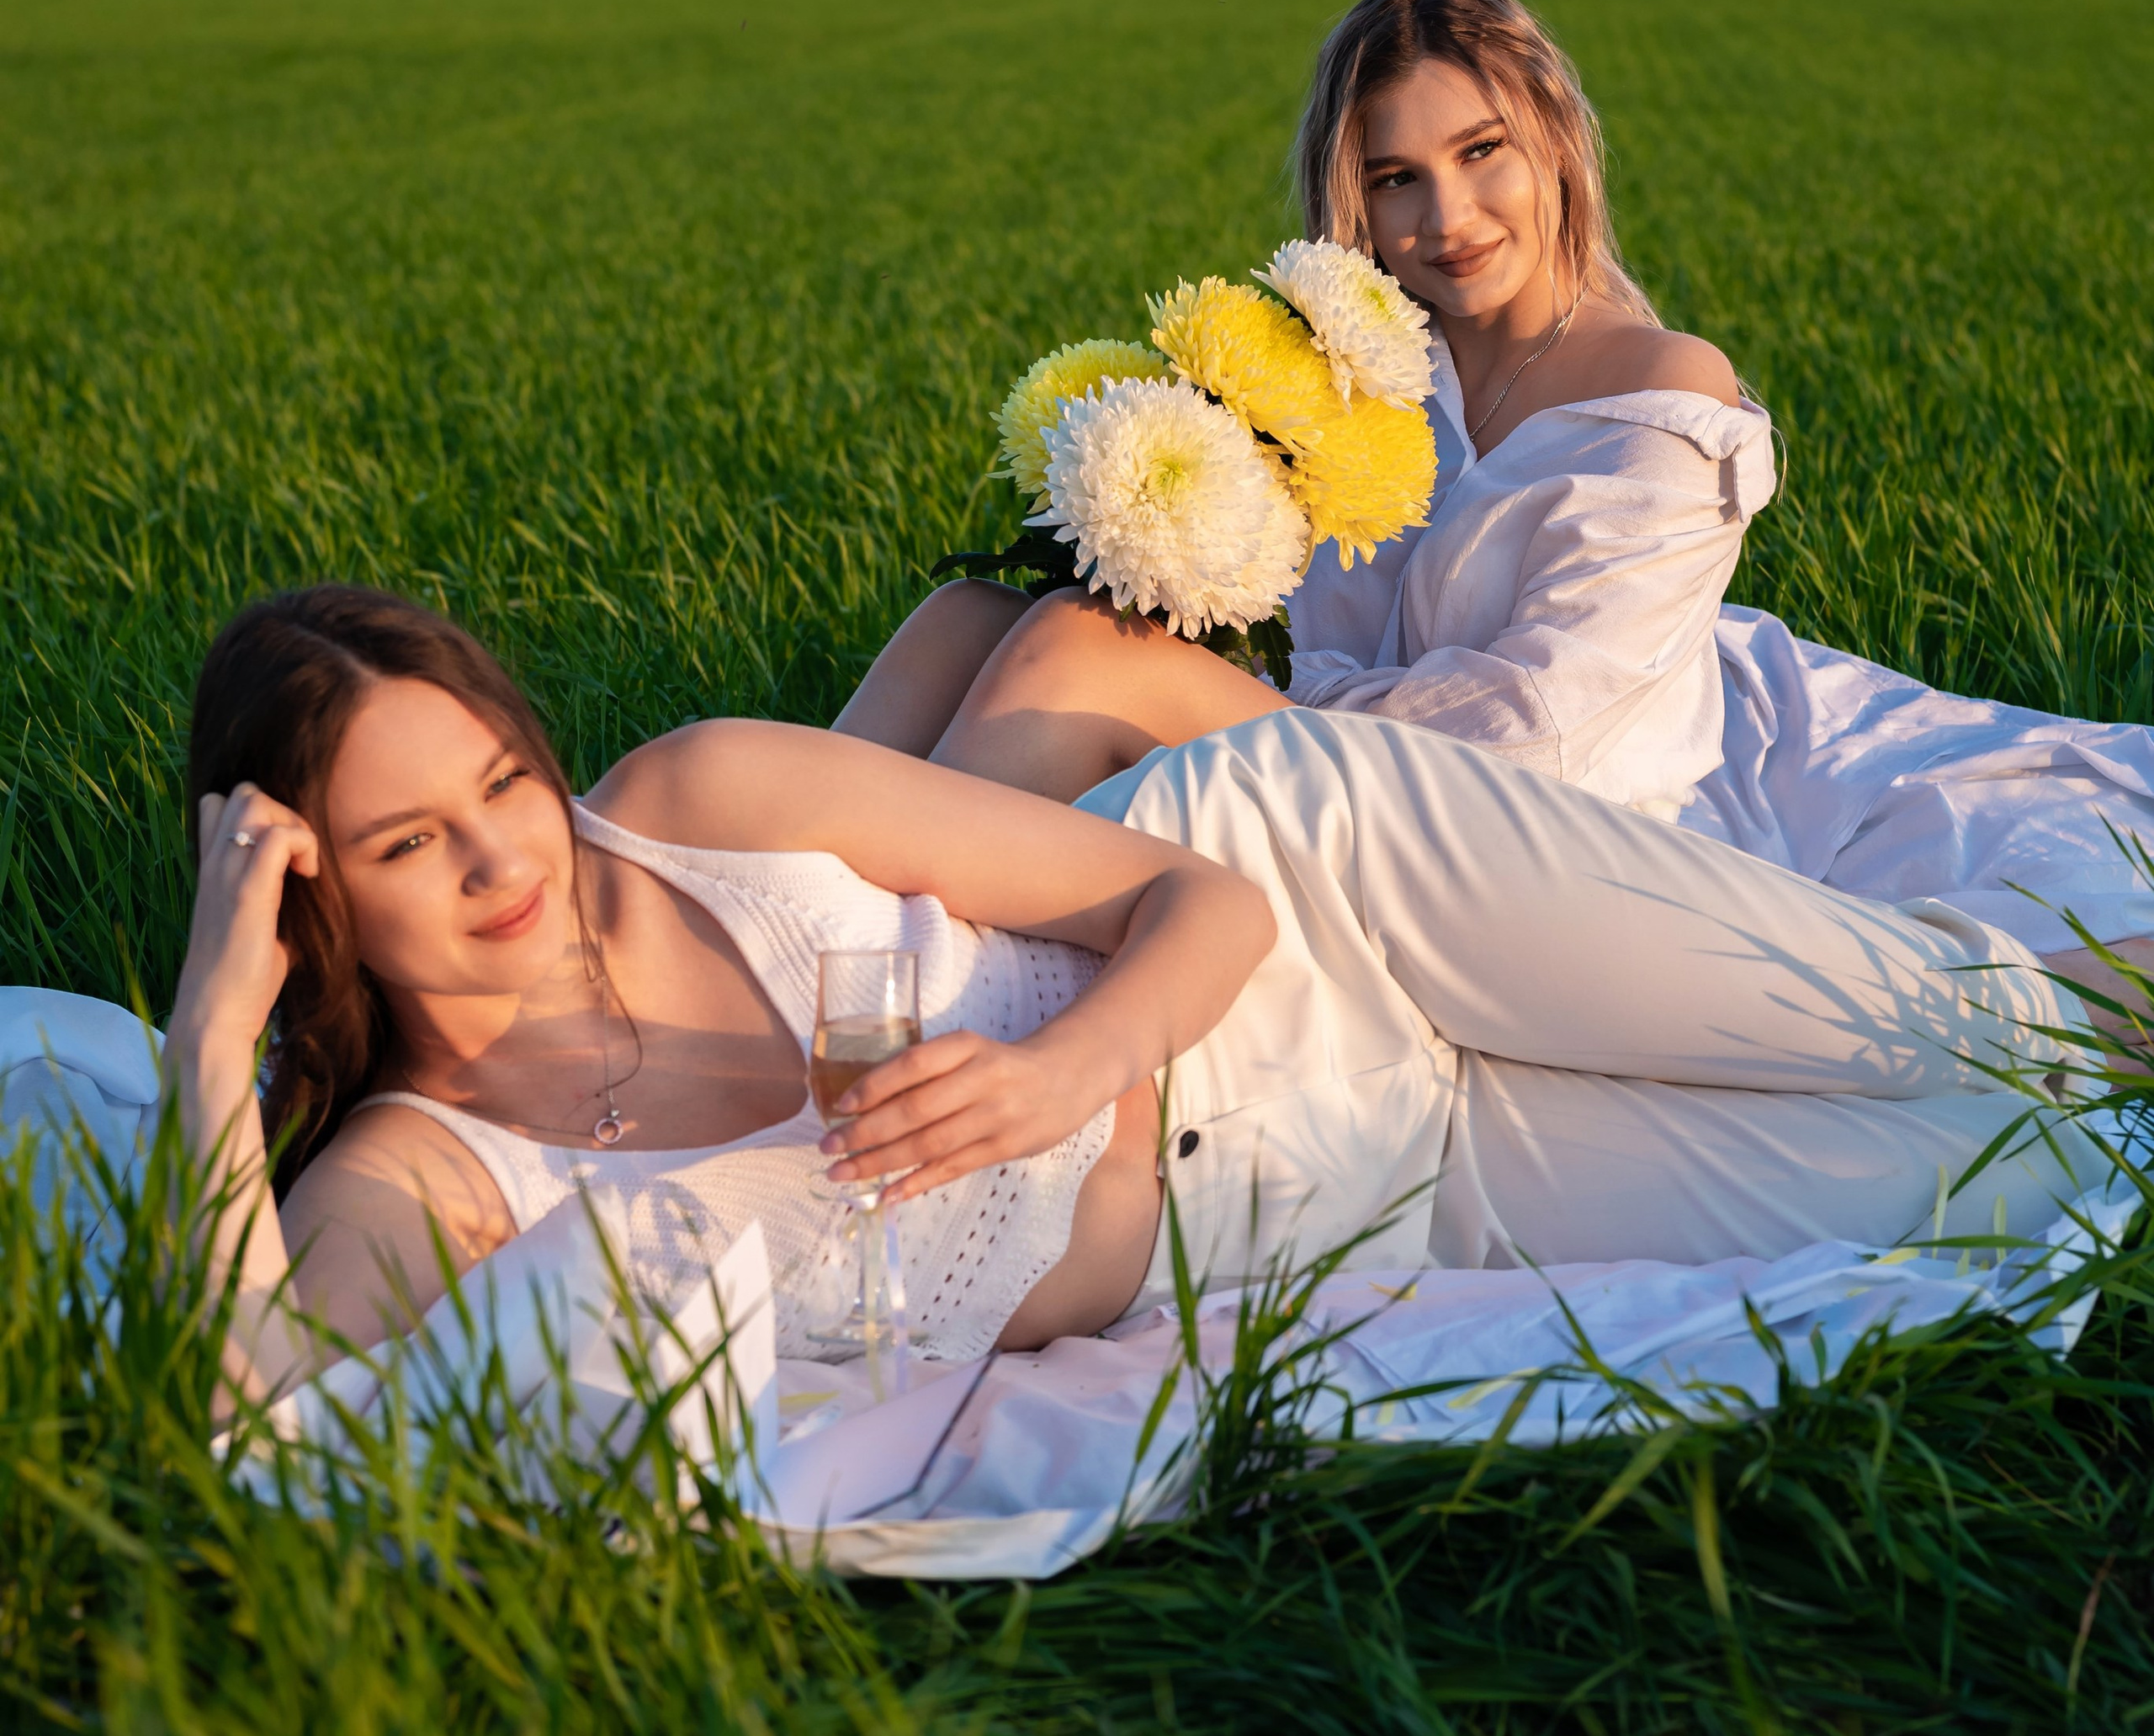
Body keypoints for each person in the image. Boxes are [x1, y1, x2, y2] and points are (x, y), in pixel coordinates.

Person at [169, 586, 2101, 1410]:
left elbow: (1200, 892)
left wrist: (1060, 1068)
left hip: (1339, 899)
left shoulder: (692, 803)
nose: (511, 861)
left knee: (1973, 1029)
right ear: (306, 882)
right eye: (413, 842)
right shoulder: (427, 1178)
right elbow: (269, 1424)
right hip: (1337, 1202)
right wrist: (205, 1046)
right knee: (2009, 1180)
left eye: (503, 780)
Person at [838, 0, 2154, 1028]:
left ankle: (901, 990)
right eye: (1396, 178)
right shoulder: (1365, 388)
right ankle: (786, 915)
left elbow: (1550, 728)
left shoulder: (1658, 394)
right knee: (976, 610)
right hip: (1369, 760)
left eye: (1482, 153)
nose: (1447, 216)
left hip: (1558, 829)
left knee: (1079, 652)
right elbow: (1327, 639)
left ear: (1558, 148)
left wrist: (1233, 708)